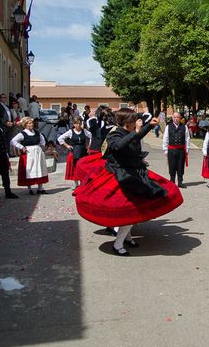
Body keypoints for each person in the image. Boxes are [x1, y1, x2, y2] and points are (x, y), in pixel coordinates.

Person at [73, 109, 183, 256]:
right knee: (131, 210)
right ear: (128, 123)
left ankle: (127, 237)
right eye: (134, 120)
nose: (137, 121)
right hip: (122, 176)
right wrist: (136, 131)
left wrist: (149, 126)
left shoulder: (129, 132)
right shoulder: (114, 134)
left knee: (135, 209)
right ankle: (117, 244)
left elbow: (135, 138)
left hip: (134, 173)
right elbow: (119, 146)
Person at [11, 116, 49, 195]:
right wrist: (22, 147)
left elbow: (42, 140)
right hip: (29, 153)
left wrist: (42, 147)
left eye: (31, 123)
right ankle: (29, 188)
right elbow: (13, 141)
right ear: (25, 124)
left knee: (39, 168)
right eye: (29, 123)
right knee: (29, 169)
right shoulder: (22, 134)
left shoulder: (37, 132)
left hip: (38, 152)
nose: (31, 124)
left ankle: (40, 188)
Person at [58, 116, 92, 188]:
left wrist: (89, 145)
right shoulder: (70, 132)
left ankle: (82, 183)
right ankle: (77, 185)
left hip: (83, 151)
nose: (78, 125)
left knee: (83, 168)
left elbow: (91, 136)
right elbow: (60, 138)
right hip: (74, 152)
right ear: (74, 124)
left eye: (80, 123)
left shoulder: (84, 131)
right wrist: (67, 146)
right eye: (76, 124)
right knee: (75, 168)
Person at [162, 112, 190, 188]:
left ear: (180, 118)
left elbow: (187, 139)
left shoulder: (184, 127)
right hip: (171, 149)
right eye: (175, 117)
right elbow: (165, 138)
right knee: (172, 165)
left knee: (180, 166)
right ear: (172, 118)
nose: (176, 119)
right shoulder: (168, 126)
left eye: (178, 117)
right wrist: (165, 149)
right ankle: (172, 181)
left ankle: (180, 182)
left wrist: (187, 149)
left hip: (181, 150)